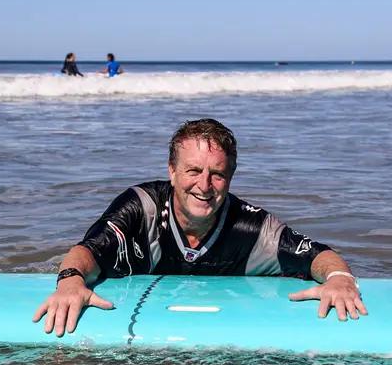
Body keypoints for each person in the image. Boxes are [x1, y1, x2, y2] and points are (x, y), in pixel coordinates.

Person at [33, 119, 367, 337]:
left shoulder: (252, 227)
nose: (204, 185)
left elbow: (319, 255)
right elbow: (88, 249)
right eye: (193, 170)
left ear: (230, 177)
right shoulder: (141, 207)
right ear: (172, 171)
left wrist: (340, 281)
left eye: (217, 174)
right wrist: (70, 282)